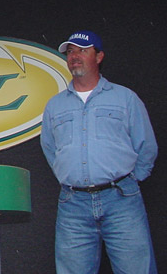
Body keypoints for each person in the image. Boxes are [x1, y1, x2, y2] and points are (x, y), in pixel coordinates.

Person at [40, 31, 158, 274]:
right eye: (70, 51)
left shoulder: (125, 98)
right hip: (73, 204)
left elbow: (146, 145)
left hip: (121, 200)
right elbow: (50, 149)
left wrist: (129, 181)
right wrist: (71, 176)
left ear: (99, 56)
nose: (75, 56)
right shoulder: (55, 105)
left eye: (83, 50)